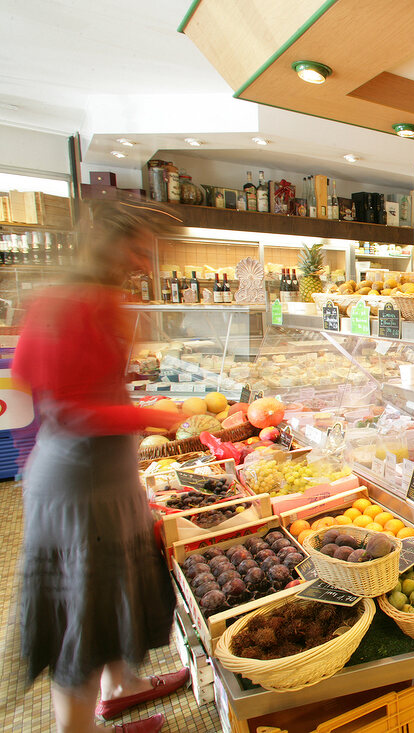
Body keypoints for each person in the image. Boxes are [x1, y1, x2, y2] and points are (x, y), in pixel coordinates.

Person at [14, 201, 191, 733]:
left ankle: (121, 688)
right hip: (81, 485)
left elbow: (37, 377)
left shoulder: (92, 298)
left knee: (109, 593)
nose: (143, 260)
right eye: (136, 247)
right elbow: (65, 408)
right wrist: (152, 413)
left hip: (100, 479)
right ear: (108, 245)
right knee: (85, 617)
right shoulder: (72, 302)